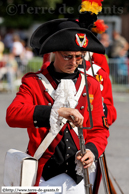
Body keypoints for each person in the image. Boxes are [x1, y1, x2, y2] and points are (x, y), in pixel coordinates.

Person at [6, 19, 109, 194]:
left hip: (79, 177)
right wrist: (56, 112)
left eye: (79, 57)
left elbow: (99, 129)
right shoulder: (33, 82)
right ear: (54, 52)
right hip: (44, 177)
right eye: (67, 56)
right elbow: (12, 115)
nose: (74, 62)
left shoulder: (91, 84)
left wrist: (92, 150)